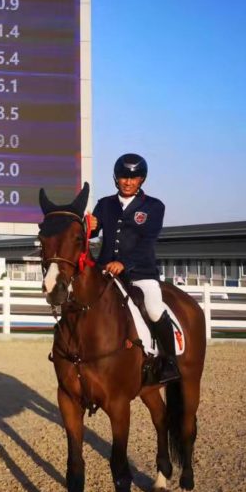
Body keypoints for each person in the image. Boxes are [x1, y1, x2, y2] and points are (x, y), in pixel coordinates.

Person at [87, 153, 179, 383]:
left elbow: (147, 241)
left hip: (141, 273)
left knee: (155, 308)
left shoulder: (154, 207)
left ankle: (169, 362)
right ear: (116, 179)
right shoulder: (105, 204)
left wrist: (125, 263)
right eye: (123, 177)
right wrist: (88, 226)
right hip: (105, 272)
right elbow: (93, 233)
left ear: (141, 179)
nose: (128, 182)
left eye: (133, 177)